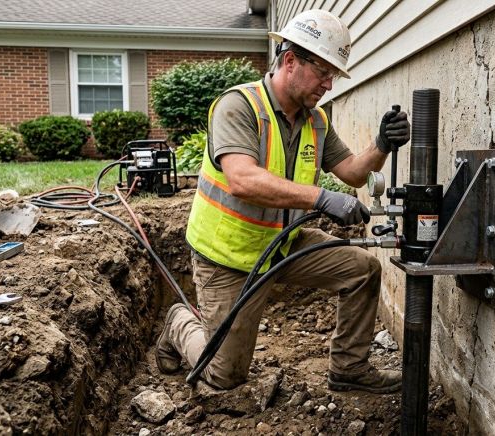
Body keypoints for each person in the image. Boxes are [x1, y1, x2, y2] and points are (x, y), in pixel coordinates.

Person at [155, 9, 410, 394]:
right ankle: (180, 323)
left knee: (361, 269)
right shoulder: (239, 107)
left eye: (333, 76)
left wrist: (382, 145)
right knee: (224, 375)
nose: (327, 84)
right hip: (228, 258)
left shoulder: (316, 121)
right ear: (290, 60)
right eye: (323, 72)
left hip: (283, 246)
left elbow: (355, 172)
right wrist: (321, 198)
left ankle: (349, 369)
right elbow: (242, 179)